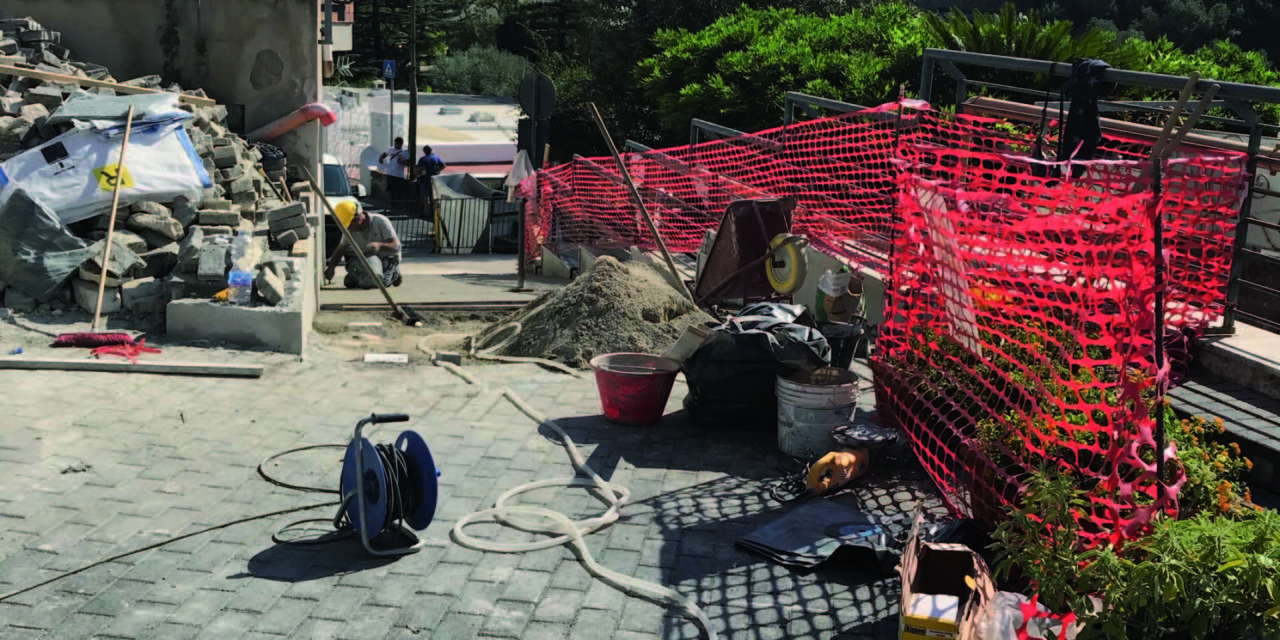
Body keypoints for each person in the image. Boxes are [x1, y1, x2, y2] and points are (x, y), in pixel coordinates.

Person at [324, 202, 403, 289]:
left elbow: (396, 246)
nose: (349, 228)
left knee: (380, 282)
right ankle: (359, 278)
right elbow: (340, 250)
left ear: (357, 218)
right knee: (361, 281)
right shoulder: (349, 230)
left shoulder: (380, 221)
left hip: (385, 258)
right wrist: (331, 268)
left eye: (349, 225)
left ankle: (393, 273)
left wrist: (379, 246)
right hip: (366, 260)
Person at [378, 137, 411, 210]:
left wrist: (402, 162)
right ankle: (392, 204)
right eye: (395, 143)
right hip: (390, 173)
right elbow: (385, 154)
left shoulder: (405, 152)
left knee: (398, 190)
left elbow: (409, 163)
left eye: (397, 144)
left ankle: (397, 205)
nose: (395, 145)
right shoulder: (391, 149)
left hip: (400, 175)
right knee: (391, 190)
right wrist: (381, 159)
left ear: (401, 144)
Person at [416, 145, 447, 217]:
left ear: (424, 151)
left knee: (425, 197)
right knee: (433, 196)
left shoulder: (423, 159)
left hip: (424, 180)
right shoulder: (436, 158)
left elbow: (419, 169)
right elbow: (443, 165)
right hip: (434, 179)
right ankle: (434, 213)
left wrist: (416, 176)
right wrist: (437, 170)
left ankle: (427, 213)